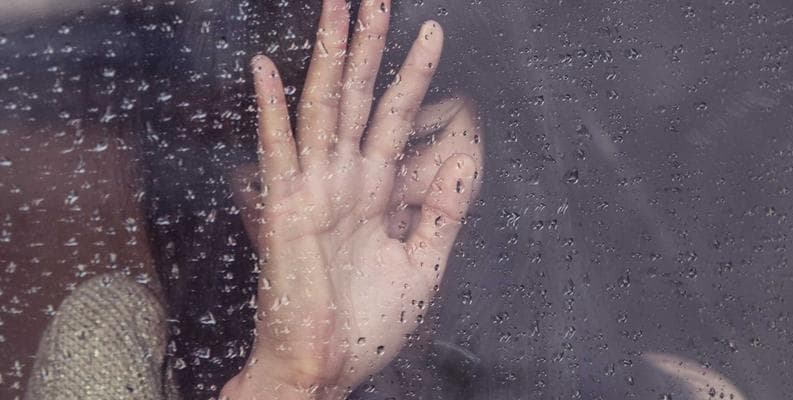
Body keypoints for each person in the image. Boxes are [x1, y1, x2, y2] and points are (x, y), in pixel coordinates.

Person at [24, 0, 485, 398]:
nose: (367, 192)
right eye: (287, 172)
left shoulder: (543, 313)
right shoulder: (117, 342)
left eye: (417, 139)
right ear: (221, 195)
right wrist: (291, 382)